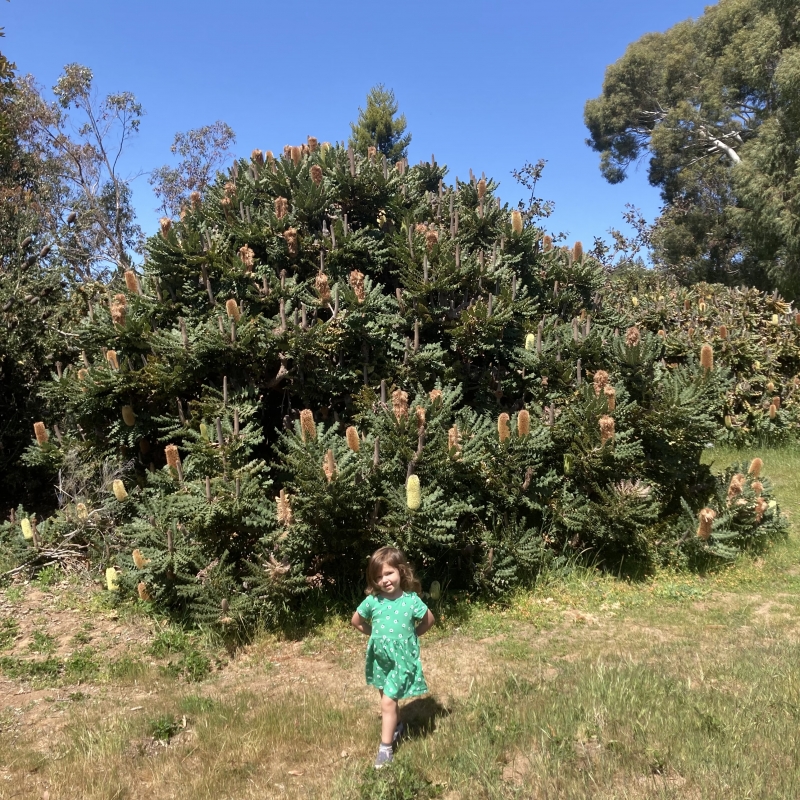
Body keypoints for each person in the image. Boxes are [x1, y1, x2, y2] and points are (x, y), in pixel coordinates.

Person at [351, 546, 435, 768]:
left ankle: (385, 748)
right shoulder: (373, 602)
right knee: (385, 696)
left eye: (388, 573)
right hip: (380, 658)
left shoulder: (410, 601)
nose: (384, 580)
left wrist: (413, 635)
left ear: (401, 571)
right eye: (378, 576)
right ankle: (397, 725)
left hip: (402, 659)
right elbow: (356, 621)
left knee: (388, 701)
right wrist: (373, 634)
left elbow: (429, 620)